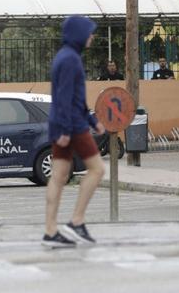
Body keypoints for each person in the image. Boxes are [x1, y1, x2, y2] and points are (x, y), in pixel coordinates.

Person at [43, 15, 106, 248]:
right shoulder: (71, 60)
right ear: (79, 33)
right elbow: (65, 98)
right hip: (73, 125)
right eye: (89, 31)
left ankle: (50, 232)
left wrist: (92, 119)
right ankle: (76, 221)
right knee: (98, 170)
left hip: (66, 123)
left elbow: (72, 97)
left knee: (58, 177)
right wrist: (69, 129)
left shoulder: (66, 56)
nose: (92, 36)